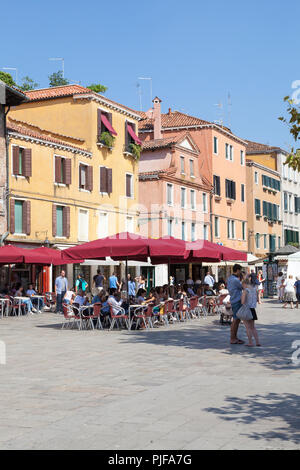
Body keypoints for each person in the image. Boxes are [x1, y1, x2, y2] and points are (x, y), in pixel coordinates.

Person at [227, 264, 245, 345]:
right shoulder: (235, 280)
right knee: (235, 320)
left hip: (233, 300)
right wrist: (244, 278)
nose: (240, 272)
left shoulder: (230, 278)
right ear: (237, 270)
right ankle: (233, 338)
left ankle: (234, 337)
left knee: (237, 320)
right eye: (240, 271)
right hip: (237, 300)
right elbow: (243, 287)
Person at [241, 277, 261, 347]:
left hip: (247, 309)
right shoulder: (254, 290)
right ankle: (257, 342)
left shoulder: (245, 290)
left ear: (244, 284)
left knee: (248, 327)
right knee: (253, 327)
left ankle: (250, 342)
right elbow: (257, 299)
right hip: (253, 309)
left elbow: (243, 301)